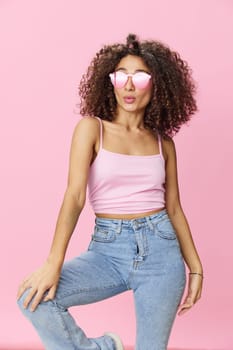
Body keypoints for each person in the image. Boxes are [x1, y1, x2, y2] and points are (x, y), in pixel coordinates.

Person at [17, 33, 204, 350]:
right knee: (32, 298)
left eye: (140, 76)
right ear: (111, 81)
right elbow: (75, 196)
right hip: (108, 252)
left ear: (157, 83)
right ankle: (104, 348)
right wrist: (53, 262)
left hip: (162, 254)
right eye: (121, 76)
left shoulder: (164, 143)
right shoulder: (92, 129)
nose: (129, 86)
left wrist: (196, 268)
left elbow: (174, 209)